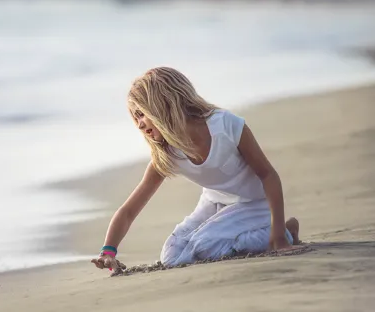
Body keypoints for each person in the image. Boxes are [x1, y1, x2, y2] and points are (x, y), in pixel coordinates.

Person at [91, 67, 303, 272]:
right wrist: (108, 250)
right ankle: (262, 234)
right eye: (135, 117)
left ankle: (284, 230)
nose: (138, 124)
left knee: (203, 246)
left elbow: (268, 175)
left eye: (142, 114)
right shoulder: (168, 153)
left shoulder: (226, 126)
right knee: (172, 256)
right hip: (214, 202)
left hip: (254, 202)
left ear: (163, 105)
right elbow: (129, 211)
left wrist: (279, 237)